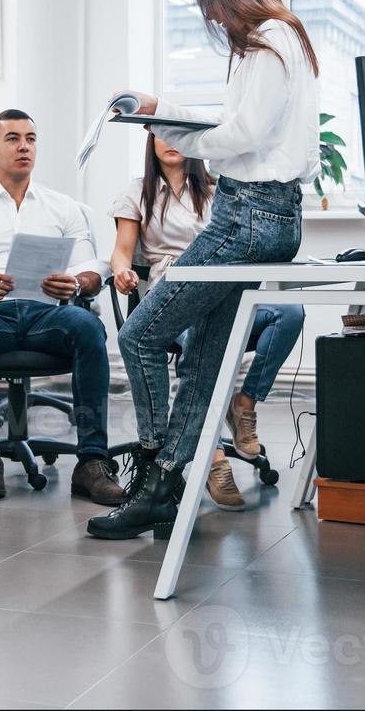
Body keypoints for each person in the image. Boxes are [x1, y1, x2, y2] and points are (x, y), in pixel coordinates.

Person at [88, 0, 318, 540]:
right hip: (264, 215)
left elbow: (240, 133)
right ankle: (165, 486)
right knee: (207, 360)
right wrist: (163, 108)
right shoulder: (273, 43)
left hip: (246, 216)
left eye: (209, 1)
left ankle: (151, 474)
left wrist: (175, 134)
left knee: (138, 336)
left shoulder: (269, 40)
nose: (210, 16)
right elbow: (237, 118)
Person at [0, 110, 125, 505]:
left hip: (47, 313)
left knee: (88, 328)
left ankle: (91, 461)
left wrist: (75, 281)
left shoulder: (62, 206)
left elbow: (92, 267)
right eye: (13, 138)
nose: (24, 146)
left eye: (31, 139)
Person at [108, 134, 304, 511]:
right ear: (149, 144)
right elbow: (122, 251)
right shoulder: (137, 193)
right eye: (160, 134)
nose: (170, 141)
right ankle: (211, 454)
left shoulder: (221, 190)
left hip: (224, 289)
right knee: (200, 344)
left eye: (178, 133)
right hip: (175, 295)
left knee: (290, 312)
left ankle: (244, 403)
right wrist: (122, 272)